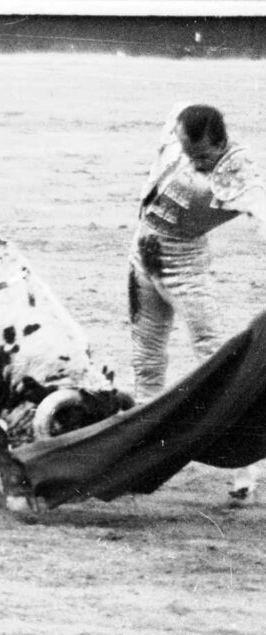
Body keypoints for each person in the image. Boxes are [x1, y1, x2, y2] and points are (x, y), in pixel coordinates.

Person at [128, 103, 266, 502]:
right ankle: (138, 458)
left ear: (219, 143)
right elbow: (175, 112)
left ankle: (243, 472)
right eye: (188, 152)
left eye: (202, 156)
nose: (193, 161)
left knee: (217, 361)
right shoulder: (177, 134)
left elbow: (261, 211)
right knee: (146, 361)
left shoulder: (238, 170)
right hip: (142, 255)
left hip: (186, 267)